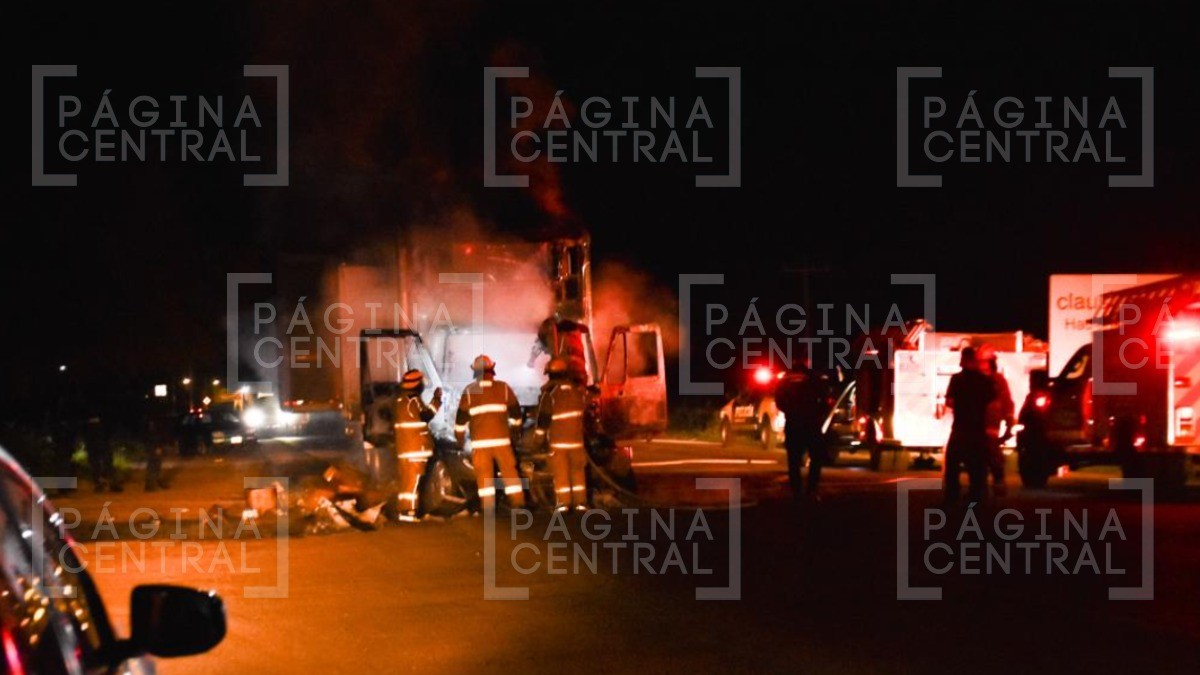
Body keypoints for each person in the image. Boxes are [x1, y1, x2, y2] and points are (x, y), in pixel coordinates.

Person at [455, 355, 525, 511]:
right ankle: (518, 503)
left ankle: (488, 508)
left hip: (480, 444)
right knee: (509, 473)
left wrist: (459, 439)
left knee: (484, 477)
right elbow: (516, 415)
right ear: (492, 369)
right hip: (502, 441)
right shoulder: (503, 388)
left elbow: (460, 421)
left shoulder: (469, 391)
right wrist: (515, 432)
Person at [943, 347, 996, 505]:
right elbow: (992, 403)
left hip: (960, 427)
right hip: (978, 428)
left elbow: (949, 401)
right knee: (977, 465)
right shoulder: (985, 381)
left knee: (952, 463)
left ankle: (952, 494)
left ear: (963, 361)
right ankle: (976, 494)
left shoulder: (957, 379)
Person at [535, 358, 588, 511]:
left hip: (558, 443)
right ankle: (580, 503)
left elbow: (543, 419)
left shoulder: (550, 393)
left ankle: (564, 504)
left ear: (550, 374)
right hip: (576, 441)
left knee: (561, 473)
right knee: (578, 471)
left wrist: (538, 440)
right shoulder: (576, 391)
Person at [774, 359, 831, 501]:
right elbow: (824, 400)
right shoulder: (813, 378)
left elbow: (778, 400)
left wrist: (789, 411)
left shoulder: (786, 379)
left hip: (793, 423)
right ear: (806, 362)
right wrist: (817, 413)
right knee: (816, 457)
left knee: (793, 459)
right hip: (811, 423)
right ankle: (811, 489)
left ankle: (796, 491)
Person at [394, 369, 442, 520]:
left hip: (404, 449)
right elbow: (426, 415)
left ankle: (404, 511)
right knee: (413, 482)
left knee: (406, 482)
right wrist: (436, 400)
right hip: (416, 449)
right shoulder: (414, 400)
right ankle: (409, 513)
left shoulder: (400, 401)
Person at [977, 344, 1015, 497]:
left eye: (983, 362)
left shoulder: (998, 380)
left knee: (993, 454)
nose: (981, 365)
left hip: (991, 424)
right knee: (978, 456)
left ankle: (998, 481)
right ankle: (980, 487)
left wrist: (1009, 423)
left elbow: (1007, 402)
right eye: (980, 362)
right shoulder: (975, 379)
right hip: (975, 424)